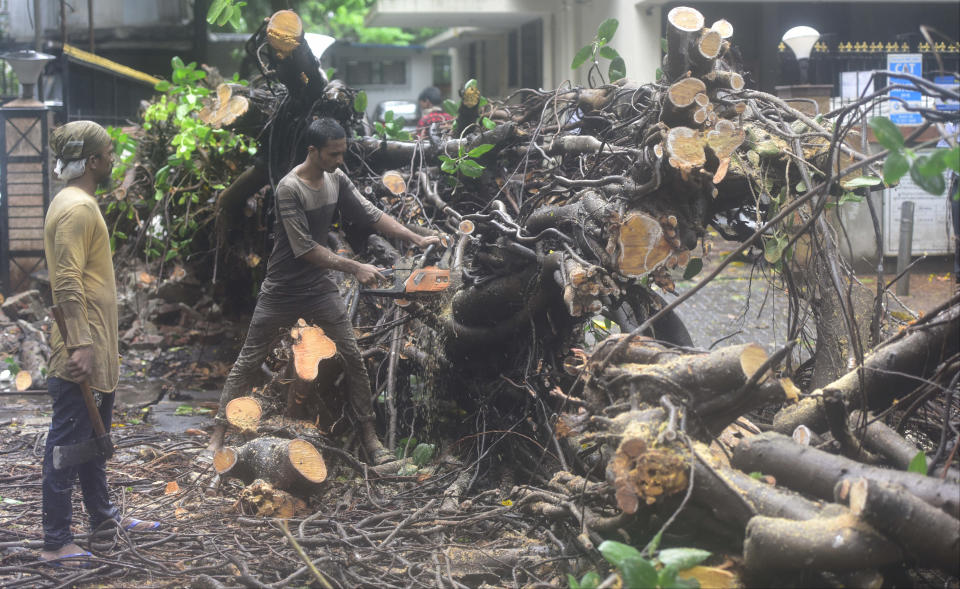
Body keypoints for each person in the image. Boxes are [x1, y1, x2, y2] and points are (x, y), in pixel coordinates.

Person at [206, 117, 439, 462]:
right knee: (247, 363)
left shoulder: (336, 178)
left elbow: (371, 214)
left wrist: (415, 236)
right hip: (282, 289)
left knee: (353, 359)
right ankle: (216, 439)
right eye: (333, 154)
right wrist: (356, 267)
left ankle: (370, 440)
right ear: (312, 151)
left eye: (342, 153)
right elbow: (305, 248)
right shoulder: (290, 188)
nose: (339, 160)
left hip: (318, 288)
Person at [41, 121, 159, 566]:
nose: (113, 159)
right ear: (92, 161)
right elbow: (67, 282)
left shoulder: (80, 202)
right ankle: (55, 542)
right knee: (67, 448)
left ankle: (104, 520)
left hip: (94, 347)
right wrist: (80, 345)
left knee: (94, 442)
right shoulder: (75, 209)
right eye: (109, 153)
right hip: (80, 349)